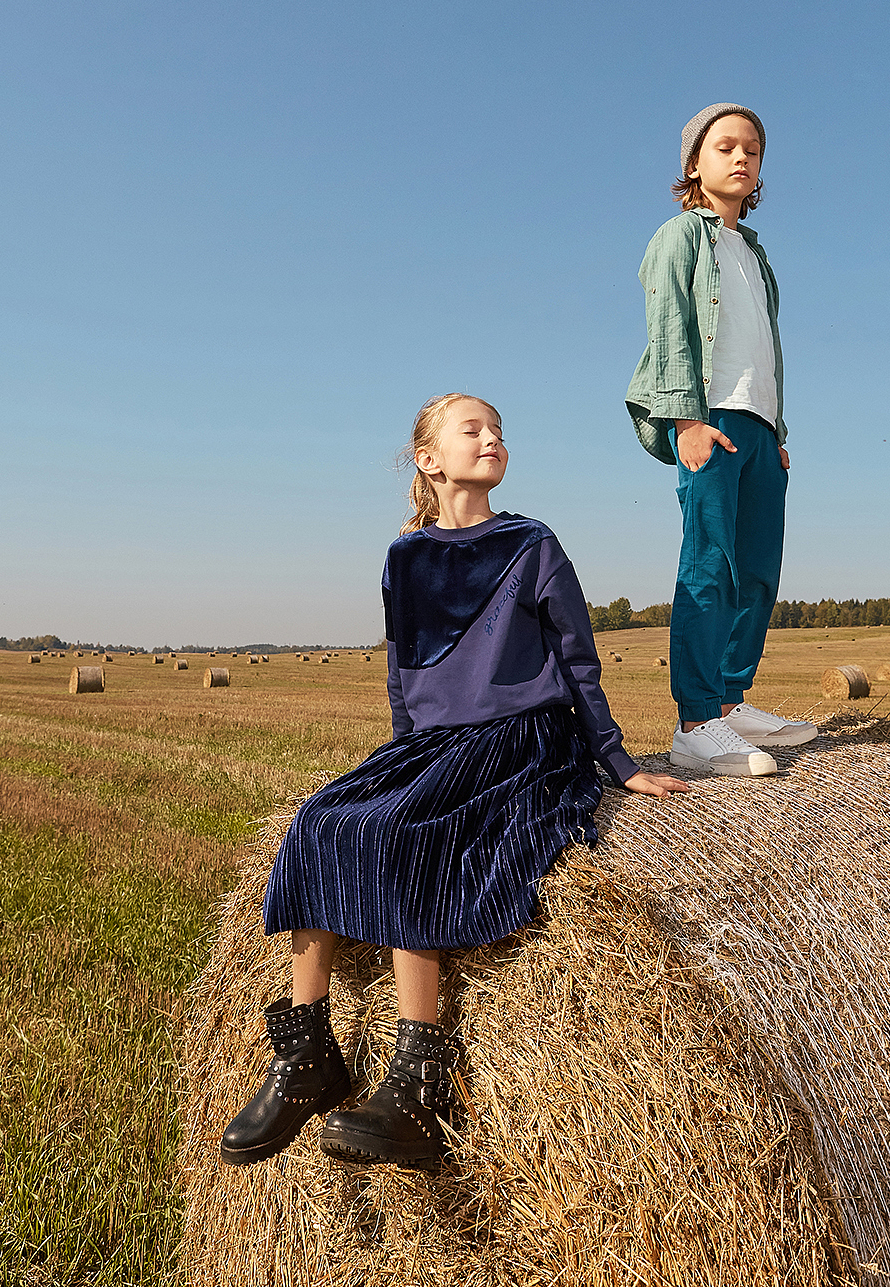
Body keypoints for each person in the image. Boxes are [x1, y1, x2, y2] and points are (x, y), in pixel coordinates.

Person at [220, 393, 686, 1174]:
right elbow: (404, 675)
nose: (493, 437)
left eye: (499, 428)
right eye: (472, 428)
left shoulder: (532, 545)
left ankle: (417, 1087)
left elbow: (578, 661)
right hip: (435, 742)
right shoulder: (405, 559)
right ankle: (307, 1054)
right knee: (319, 822)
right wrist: (402, 760)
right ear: (428, 460)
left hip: (521, 739)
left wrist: (620, 763)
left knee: (408, 833)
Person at [625, 103, 816, 778]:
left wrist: (777, 430)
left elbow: (767, 350)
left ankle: (732, 701)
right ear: (693, 164)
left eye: (753, 151)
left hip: (760, 429)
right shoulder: (680, 237)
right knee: (709, 566)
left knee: (760, 568)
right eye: (726, 147)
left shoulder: (756, 256)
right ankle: (696, 721)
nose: (742, 158)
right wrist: (684, 421)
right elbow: (669, 328)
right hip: (709, 418)